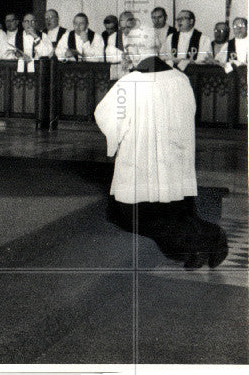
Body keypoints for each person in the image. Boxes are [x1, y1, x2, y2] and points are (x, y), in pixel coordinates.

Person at [94, 27, 227, 269]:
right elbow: (190, 114)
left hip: (143, 164)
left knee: (129, 216)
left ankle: (212, 236)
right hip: (174, 162)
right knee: (174, 213)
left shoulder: (130, 82)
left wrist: (117, 140)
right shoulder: (179, 78)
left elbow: (106, 116)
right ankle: (192, 252)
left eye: (128, 49)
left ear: (134, 50)